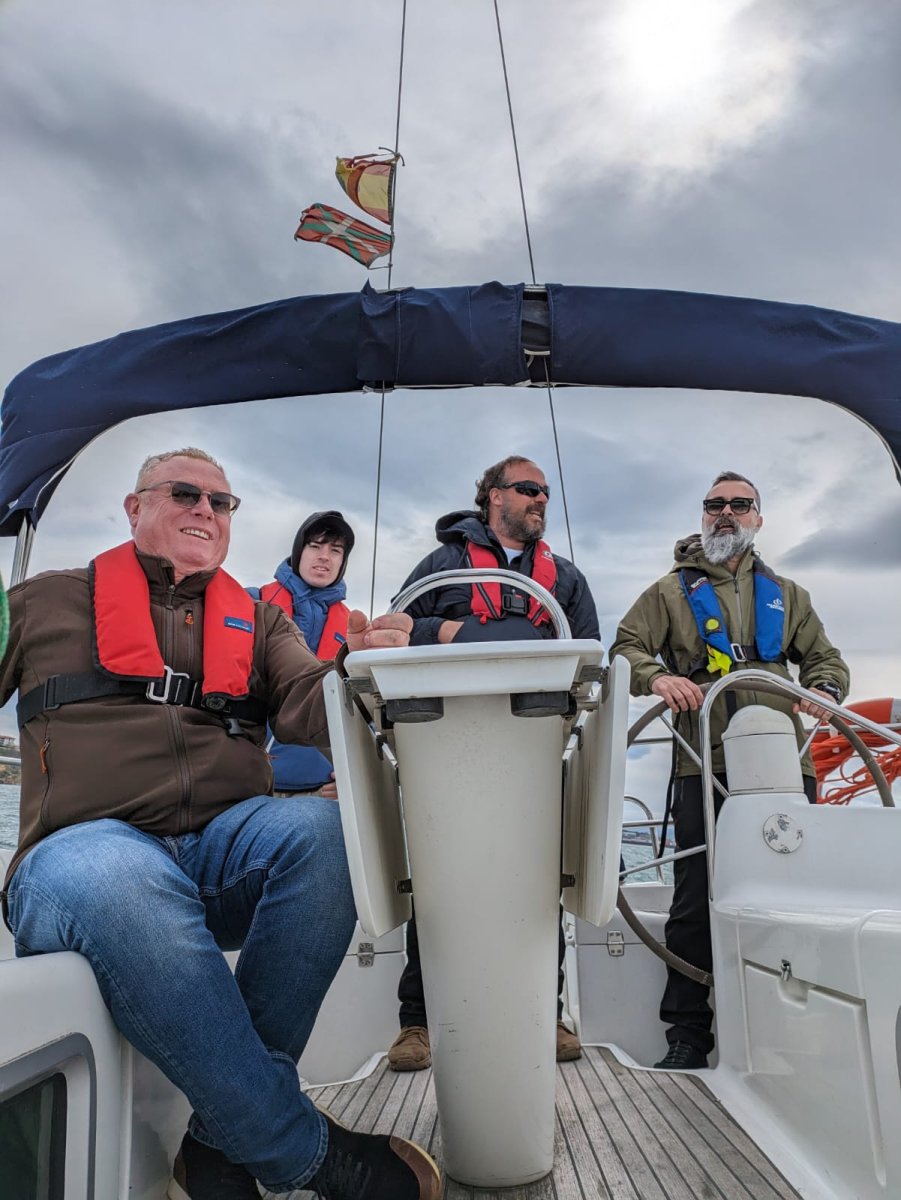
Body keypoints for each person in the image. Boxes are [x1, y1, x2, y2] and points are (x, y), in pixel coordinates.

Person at [0, 449, 439, 1200]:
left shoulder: (260, 620)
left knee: (328, 836)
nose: (205, 509)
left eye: (222, 502)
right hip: (79, 853)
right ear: (135, 508)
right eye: (184, 493)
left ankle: (217, 1143)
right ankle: (295, 1150)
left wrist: (359, 670)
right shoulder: (40, 600)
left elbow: (312, 705)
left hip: (219, 846)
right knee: (118, 875)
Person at [610, 470, 850, 1072]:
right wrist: (657, 678)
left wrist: (824, 689)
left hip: (784, 765)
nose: (726, 512)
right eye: (715, 504)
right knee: (694, 898)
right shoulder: (668, 593)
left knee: (793, 896)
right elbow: (626, 649)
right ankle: (687, 1035)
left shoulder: (788, 595)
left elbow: (825, 660)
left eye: (740, 504)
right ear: (703, 515)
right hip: (702, 763)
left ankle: (792, 1029)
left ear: (758, 519)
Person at [386, 454, 601, 1072]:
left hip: (533, 748)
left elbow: (589, 654)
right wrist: (455, 634)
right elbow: (395, 630)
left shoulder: (565, 579)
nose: (540, 499)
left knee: (537, 884)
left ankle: (544, 1014)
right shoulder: (442, 566)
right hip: (446, 749)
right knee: (439, 885)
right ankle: (418, 1021)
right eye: (528, 488)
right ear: (493, 497)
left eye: (545, 491)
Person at [250, 510, 355, 798]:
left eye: (336, 550)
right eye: (315, 546)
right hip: (246, 785)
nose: (325, 557)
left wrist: (354, 777)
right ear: (298, 551)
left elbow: (360, 717)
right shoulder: (249, 603)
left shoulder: (355, 632)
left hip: (320, 792)